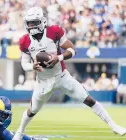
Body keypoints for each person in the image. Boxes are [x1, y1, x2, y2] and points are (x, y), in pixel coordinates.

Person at [13, 7, 126, 140]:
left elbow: (72, 50)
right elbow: (24, 64)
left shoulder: (54, 31)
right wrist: (32, 66)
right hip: (43, 81)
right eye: (29, 23)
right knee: (32, 110)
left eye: (34, 22)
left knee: (89, 99)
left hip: (62, 77)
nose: (31, 26)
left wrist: (58, 58)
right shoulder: (24, 40)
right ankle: (19, 132)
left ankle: (113, 125)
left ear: (42, 21)